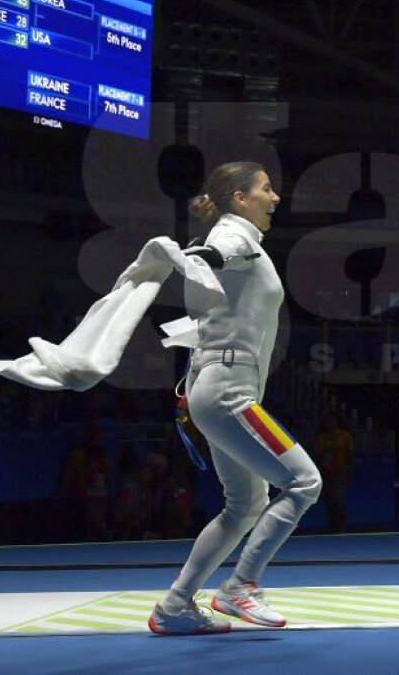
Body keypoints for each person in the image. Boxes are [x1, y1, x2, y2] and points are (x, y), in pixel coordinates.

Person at [148, 162, 322, 635]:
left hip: (217, 385)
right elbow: (215, 254)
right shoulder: (237, 237)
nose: (275, 197)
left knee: (244, 505)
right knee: (305, 483)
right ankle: (240, 587)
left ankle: (175, 607)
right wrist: (198, 256)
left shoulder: (246, 244)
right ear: (240, 198)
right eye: (266, 189)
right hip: (228, 393)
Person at [314, 409, 355, 533]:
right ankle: (332, 526)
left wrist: (349, 469)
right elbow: (318, 456)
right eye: (328, 421)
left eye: (332, 421)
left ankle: (340, 526)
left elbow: (350, 454)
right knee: (329, 500)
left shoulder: (345, 436)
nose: (330, 423)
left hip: (339, 472)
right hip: (325, 473)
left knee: (338, 500)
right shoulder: (321, 438)